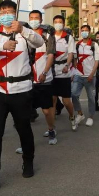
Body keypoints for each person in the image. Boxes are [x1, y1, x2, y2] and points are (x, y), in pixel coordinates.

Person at [0, 0, 44, 195]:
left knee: (24, 129)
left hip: (21, 90)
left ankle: (28, 161)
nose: (6, 14)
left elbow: (39, 42)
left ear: (15, 14)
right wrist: (3, 45)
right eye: (3, 11)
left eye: (10, 11)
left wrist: (22, 29)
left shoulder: (24, 34)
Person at [27, 10, 58, 145]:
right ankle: (26, 143)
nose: (34, 20)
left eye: (36, 18)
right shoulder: (24, 35)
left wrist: (45, 72)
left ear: (40, 20)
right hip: (27, 79)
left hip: (44, 78)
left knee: (46, 111)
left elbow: (50, 55)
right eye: (31, 18)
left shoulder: (48, 36)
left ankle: (51, 129)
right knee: (24, 111)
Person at [72, 25, 99, 127]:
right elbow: (75, 59)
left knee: (91, 97)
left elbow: (97, 60)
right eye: (82, 30)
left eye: (86, 30)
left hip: (90, 75)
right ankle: (80, 113)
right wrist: (74, 71)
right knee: (74, 94)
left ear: (89, 32)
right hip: (78, 74)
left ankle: (91, 116)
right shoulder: (77, 45)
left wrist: (92, 74)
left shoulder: (94, 45)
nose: (84, 32)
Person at [51, 15, 77, 131]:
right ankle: (51, 127)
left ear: (64, 24)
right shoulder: (50, 37)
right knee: (52, 100)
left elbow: (71, 53)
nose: (58, 24)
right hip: (52, 72)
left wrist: (67, 65)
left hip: (64, 71)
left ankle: (72, 116)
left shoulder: (68, 38)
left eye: (60, 22)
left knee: (66, 101)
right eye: (56, 22)